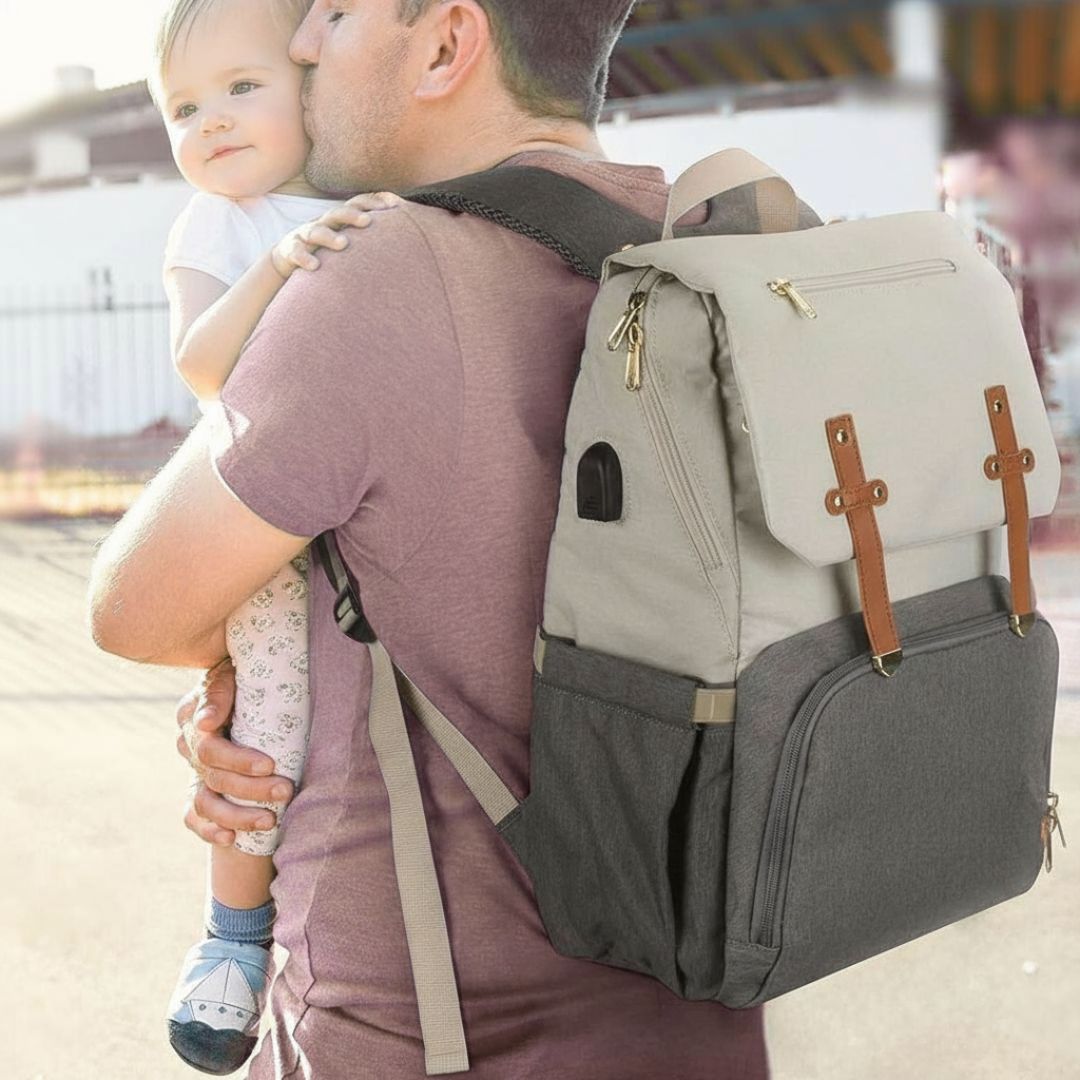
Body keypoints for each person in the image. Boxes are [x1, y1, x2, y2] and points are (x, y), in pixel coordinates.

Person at [88, 1, 771, 1075]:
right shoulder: (691, 245)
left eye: (338, 14)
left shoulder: (368, 274)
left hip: (427, 1034)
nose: (304, 44)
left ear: (448, 44)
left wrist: (238, 673)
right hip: (691, 1023)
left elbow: (132, 606)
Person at [148, 0, 401, 1071]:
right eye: (183, 107)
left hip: (359, 503)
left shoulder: (360, 195)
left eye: (240, 87)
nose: (210, 122)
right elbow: (202, 367)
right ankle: (234, 935)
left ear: (309, 84)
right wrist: (281, 264)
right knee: (269, 726)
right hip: (260, 521)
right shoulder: (223, 225)